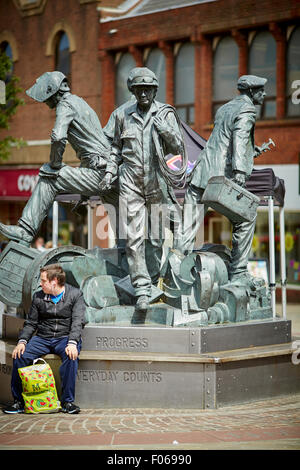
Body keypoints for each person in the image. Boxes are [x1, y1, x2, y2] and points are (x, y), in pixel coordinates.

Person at [0, 71, 119, 246]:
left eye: (45, 97)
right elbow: (93, 151)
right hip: (111, 173)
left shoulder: (65, 105)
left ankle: (25, 231)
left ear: (51, 91)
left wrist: (54, 164)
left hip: (101, 173)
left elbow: (58, 137)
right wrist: (84, 195)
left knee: (50, 178)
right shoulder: (80, 102)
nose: (45, 102)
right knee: (125, 240)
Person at [100, 67, 185, 311]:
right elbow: (114, 148)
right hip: (130, 181)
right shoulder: (122, 115)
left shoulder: (166, 114)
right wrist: (108, 172)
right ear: (133, 91)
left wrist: (166, 130)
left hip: (157, 181)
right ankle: (141, 289)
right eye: (139, 90)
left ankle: (153, 280)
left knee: (156, 240)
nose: (144, 94)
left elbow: (178, 147)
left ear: (155, 90)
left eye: (148, 89)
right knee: (133, 238)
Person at [177, 75, 268, 284]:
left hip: (200, 173)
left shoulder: (225, 108)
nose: (264, 94)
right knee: (247, 217)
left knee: (187, 230)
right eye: (261, 90)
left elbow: (221, 138)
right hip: (218, 177)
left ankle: (175, 274)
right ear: (252, 92)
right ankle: (238, 273)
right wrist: (240, 171)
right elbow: (239, 138)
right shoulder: (248, 110)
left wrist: (250, 152)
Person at [2, 264, 86, 414]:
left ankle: (67, 402)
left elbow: (77, 321)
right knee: (20, 355)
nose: (40, 284)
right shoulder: (38, 296)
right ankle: (19, 402)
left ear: (54, 281)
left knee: (70, 356)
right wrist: (22, 342)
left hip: (65, 337)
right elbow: (31, 323)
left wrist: (73, 343)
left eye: (43, 281)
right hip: (43, 337)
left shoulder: (75, 295)